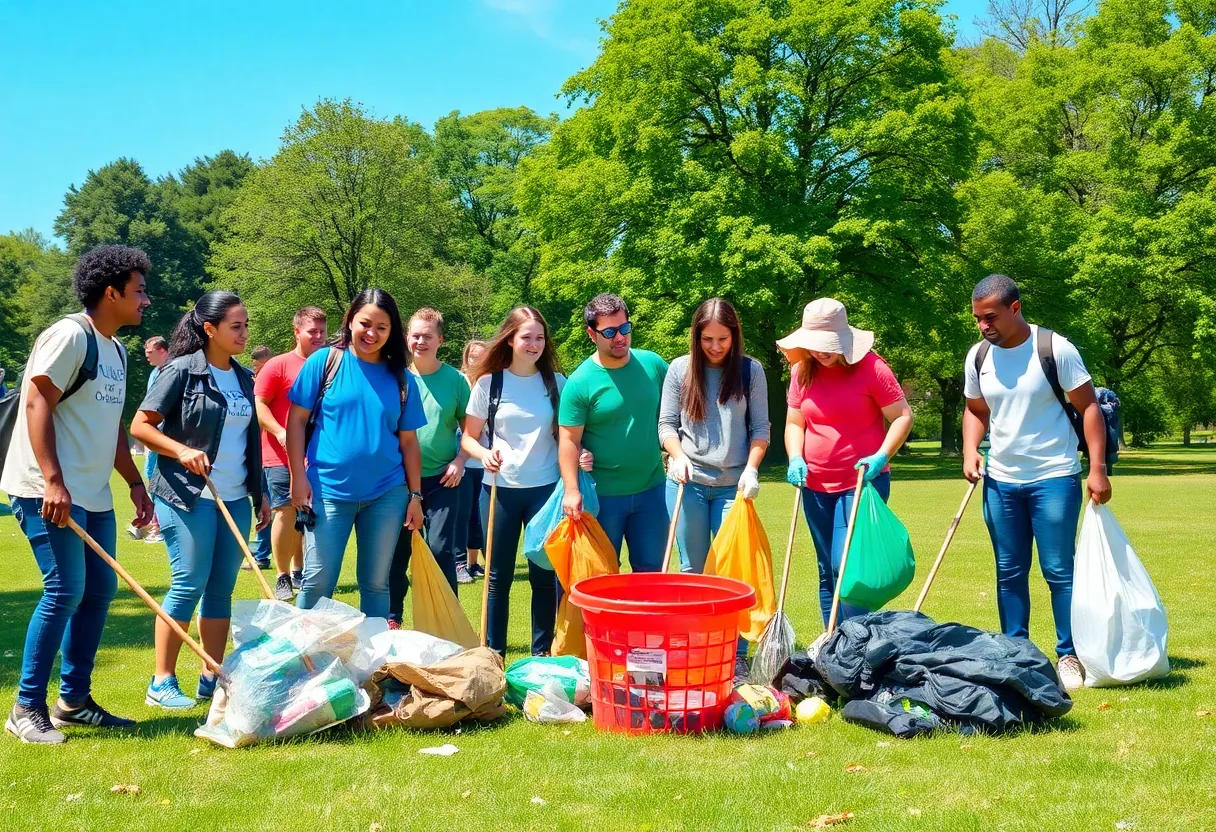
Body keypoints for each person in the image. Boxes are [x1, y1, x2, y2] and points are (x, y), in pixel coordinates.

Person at [2, 244, 153, 743]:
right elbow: (35, 401)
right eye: (138, 291)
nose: (146, 301)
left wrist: (134, 483)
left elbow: (111, 428)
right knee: (64, 589)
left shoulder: (116, 350)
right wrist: (52, 480)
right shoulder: (71, 335)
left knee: (99, 592)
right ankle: (26, 707)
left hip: (93, 494)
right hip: (44, 489)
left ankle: (74, 701)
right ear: (110, 293)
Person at [963, 274, 1112, 691]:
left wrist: (1097, 469)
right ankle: (1017, 654)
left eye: (990, 317)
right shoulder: (978, 357)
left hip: (1054, 476)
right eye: (977, 319)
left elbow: (1090, 410)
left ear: (1015, 308)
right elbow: (976, 411)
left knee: (1059, 571)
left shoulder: (1055, 348)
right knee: (1009, 571)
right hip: (1001, 481)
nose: (983, 326)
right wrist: (970, 449)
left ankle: (1068, 656)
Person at [131, 291, 270, 709]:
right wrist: (181, 450)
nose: (245, 333)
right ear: (209, 329)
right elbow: (141, 425)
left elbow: (249, 440)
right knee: (188, 583)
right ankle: (162, 681)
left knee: (220, 590)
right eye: (236, 326)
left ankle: (213, 673)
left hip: (235, 496)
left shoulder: (245, 377)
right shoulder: (179, 371)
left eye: (246, 325)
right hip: (187, 495)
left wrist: (259, 494)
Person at [287, 289, 425, 619]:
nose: (372, 333)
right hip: (328, 491)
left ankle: (373, 666)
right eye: (365, 323)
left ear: (392, 332)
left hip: (387, 494)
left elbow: (409, 443)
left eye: (382, 327)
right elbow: (296, 421)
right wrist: (297, 477)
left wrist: (416, 496)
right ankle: (305, 663)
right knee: (318, 582)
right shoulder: (324, 361)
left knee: (376, 584)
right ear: (350, 321)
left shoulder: (403, 378)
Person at [778, 298, 913, 627]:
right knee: (827, 568)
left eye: (827, 345)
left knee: (847, 568)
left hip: (861, 483)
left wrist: (882, 456)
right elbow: (795, 423)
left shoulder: (873, 369)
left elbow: (902, 417)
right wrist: (796, 457)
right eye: (814, 345)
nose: (820, 352)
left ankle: (859, 645)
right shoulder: (802, 371)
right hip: (814, 485)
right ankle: (832, 646)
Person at [658, 298, 770, 682]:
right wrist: (676, 455)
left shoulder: (751, 370)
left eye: (723, 339)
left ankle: (735, 657)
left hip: (732, 486)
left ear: (734, 336)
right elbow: (667, 425)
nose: (716, 347)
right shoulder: (679, 369)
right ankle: (695, 648)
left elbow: (760, 429)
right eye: (708, 339)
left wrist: (752, 469)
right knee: (692, 571)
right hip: (688, 483)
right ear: (697, 336)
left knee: (731, 575)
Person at [461, 308, 565, 656]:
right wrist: (482, 454)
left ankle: (540, 655)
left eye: (539, 337)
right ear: (510, 338)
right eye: (526, 337)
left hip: (546, 491)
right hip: (498, 491)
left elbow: (568, 436)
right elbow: (468, 438)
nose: (534, 344)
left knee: (543, 578)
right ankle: (494, 656)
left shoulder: (557, 384)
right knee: (497, 578)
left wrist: (580, 455)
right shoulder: (489, 384)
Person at [559, 293, 669, 572]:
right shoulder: (580, 382)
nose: (620, 337)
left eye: (625, 328)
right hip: (601, 497)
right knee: (603, 578)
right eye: (609, 332)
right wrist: (572, 489)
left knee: (653, 574)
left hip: (653, 492)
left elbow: (679, 410)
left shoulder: (653, 365)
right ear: (591, 334)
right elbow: (569, 439)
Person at [386, 307, 470, 631]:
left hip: (443, 480)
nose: (421, 341)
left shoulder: (456, 382)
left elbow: (472, 432)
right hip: (399, 480)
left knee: (440, 549)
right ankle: (393, 616)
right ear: (407, 338)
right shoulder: (395, 377)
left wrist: (461, 461)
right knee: (397, 553)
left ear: (441, 341)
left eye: (428, 336)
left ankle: (447, 617)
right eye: (416, 335)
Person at [254, 308, 328, 601]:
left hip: (318, 456)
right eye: (313, 331)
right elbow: (259, 405)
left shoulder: (329, 365)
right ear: (297, 332)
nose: (319, 337)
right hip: (278, 454)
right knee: (284, 511)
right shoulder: (278, 365)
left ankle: (300, 570)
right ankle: (282, 575)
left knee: (307, 513)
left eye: (323, 331)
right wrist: (280, 432)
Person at [127, 335, 169, 544]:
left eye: (150, 353)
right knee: (151, 478)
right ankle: (155, 524)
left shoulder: (172, 372)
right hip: (153, 435)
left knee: (161, 481)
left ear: (163, 351)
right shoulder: (154, 373)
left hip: (166, 437)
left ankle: (160, 527)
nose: (147, 358)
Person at [460, 339, 488, 579]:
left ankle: (476, 563)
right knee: (467, 515)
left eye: (482, 356)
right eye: (473, 356)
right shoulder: (462, 384)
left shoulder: (492, 384)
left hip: (486, 463)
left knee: (482, 517)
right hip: (464, 462)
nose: (476, 361)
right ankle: (462, 564)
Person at [247, 344, 274, 571]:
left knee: (269, 505)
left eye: (259, 367)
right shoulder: (253, 381)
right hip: (258, 453)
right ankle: (261, 551)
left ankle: (263, 555)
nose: (257, 373)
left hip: (271, 455)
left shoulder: (271, 382)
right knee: (263, 503)